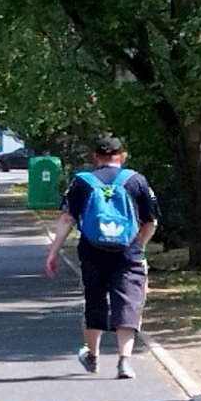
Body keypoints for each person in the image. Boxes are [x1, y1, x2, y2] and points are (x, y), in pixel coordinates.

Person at [42, 136, 159, 379]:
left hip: (92, 251)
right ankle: (124, 361)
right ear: (122, 155)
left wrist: (53, 251)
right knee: (128, 302)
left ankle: (92, 356)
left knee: (94, 299)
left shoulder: (82, 182)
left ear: (95, 156)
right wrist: (140, 245)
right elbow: (151, 221)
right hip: (128, 253)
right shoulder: (135, 180)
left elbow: (66, 219)